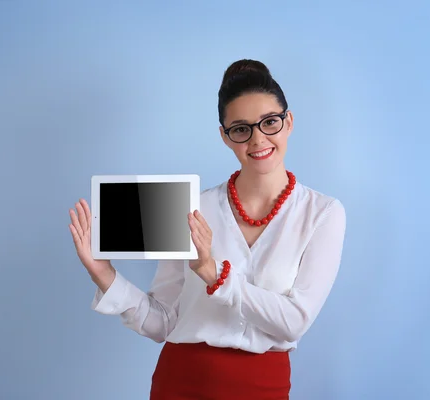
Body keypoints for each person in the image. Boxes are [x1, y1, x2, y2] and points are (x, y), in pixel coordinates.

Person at [68, 59, 346, 400]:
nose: (258, 139)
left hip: (263, 387)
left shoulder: (323, 214)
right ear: (225, 136)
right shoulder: (190, 207)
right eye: (241, 129)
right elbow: (163, 322)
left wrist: (214, 273)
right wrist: (104, 276)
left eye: (269, 122)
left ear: (287, 122)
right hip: (179, 383)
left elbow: (294, 321)